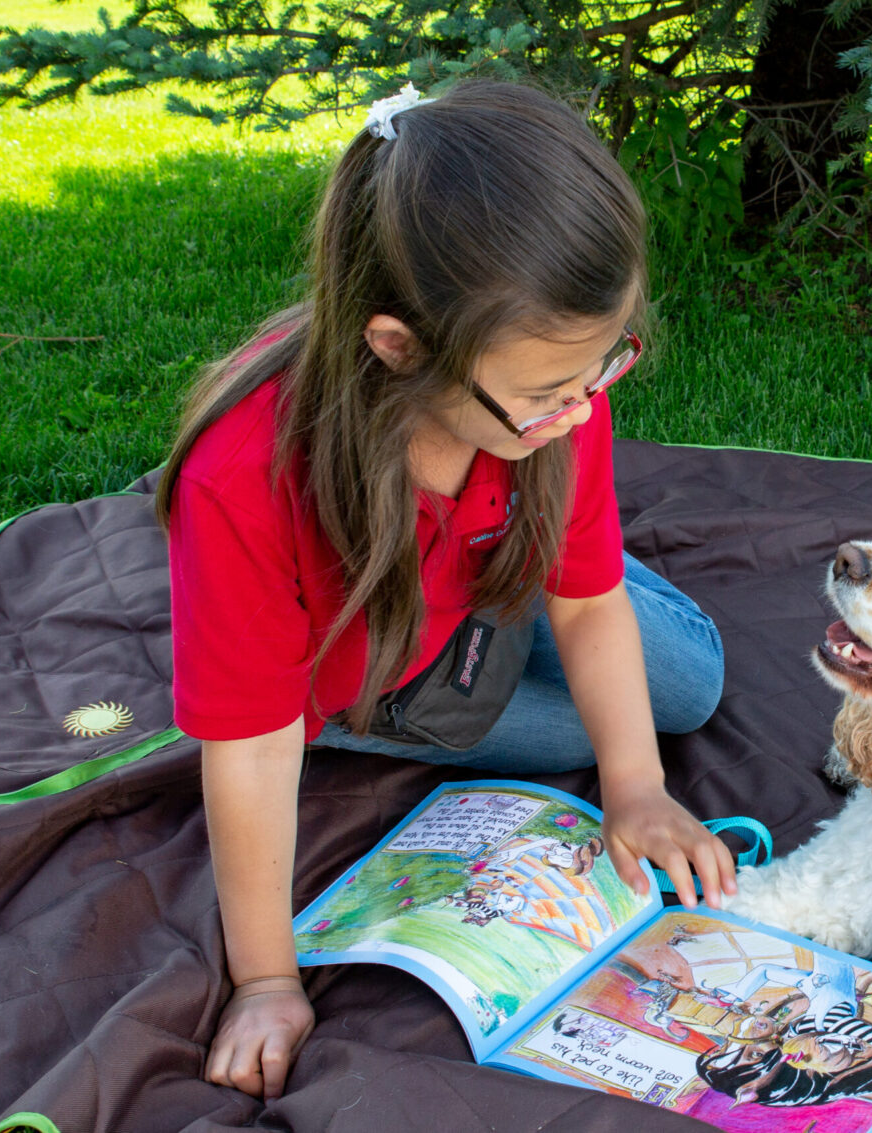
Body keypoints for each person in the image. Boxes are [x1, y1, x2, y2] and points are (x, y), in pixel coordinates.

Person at [154, 79, 735, 1102]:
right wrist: (267, 977)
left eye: (600, 372)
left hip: (477, 585)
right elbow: (249, 749)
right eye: (547, 393)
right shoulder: (244, 477)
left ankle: (507, 559)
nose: (581, 409)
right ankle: (484, 589)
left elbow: (591, 602)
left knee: (686, 683)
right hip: (365, 661)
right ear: (399, 348)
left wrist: (637, 788)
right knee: (565, 741)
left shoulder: (555, 398)